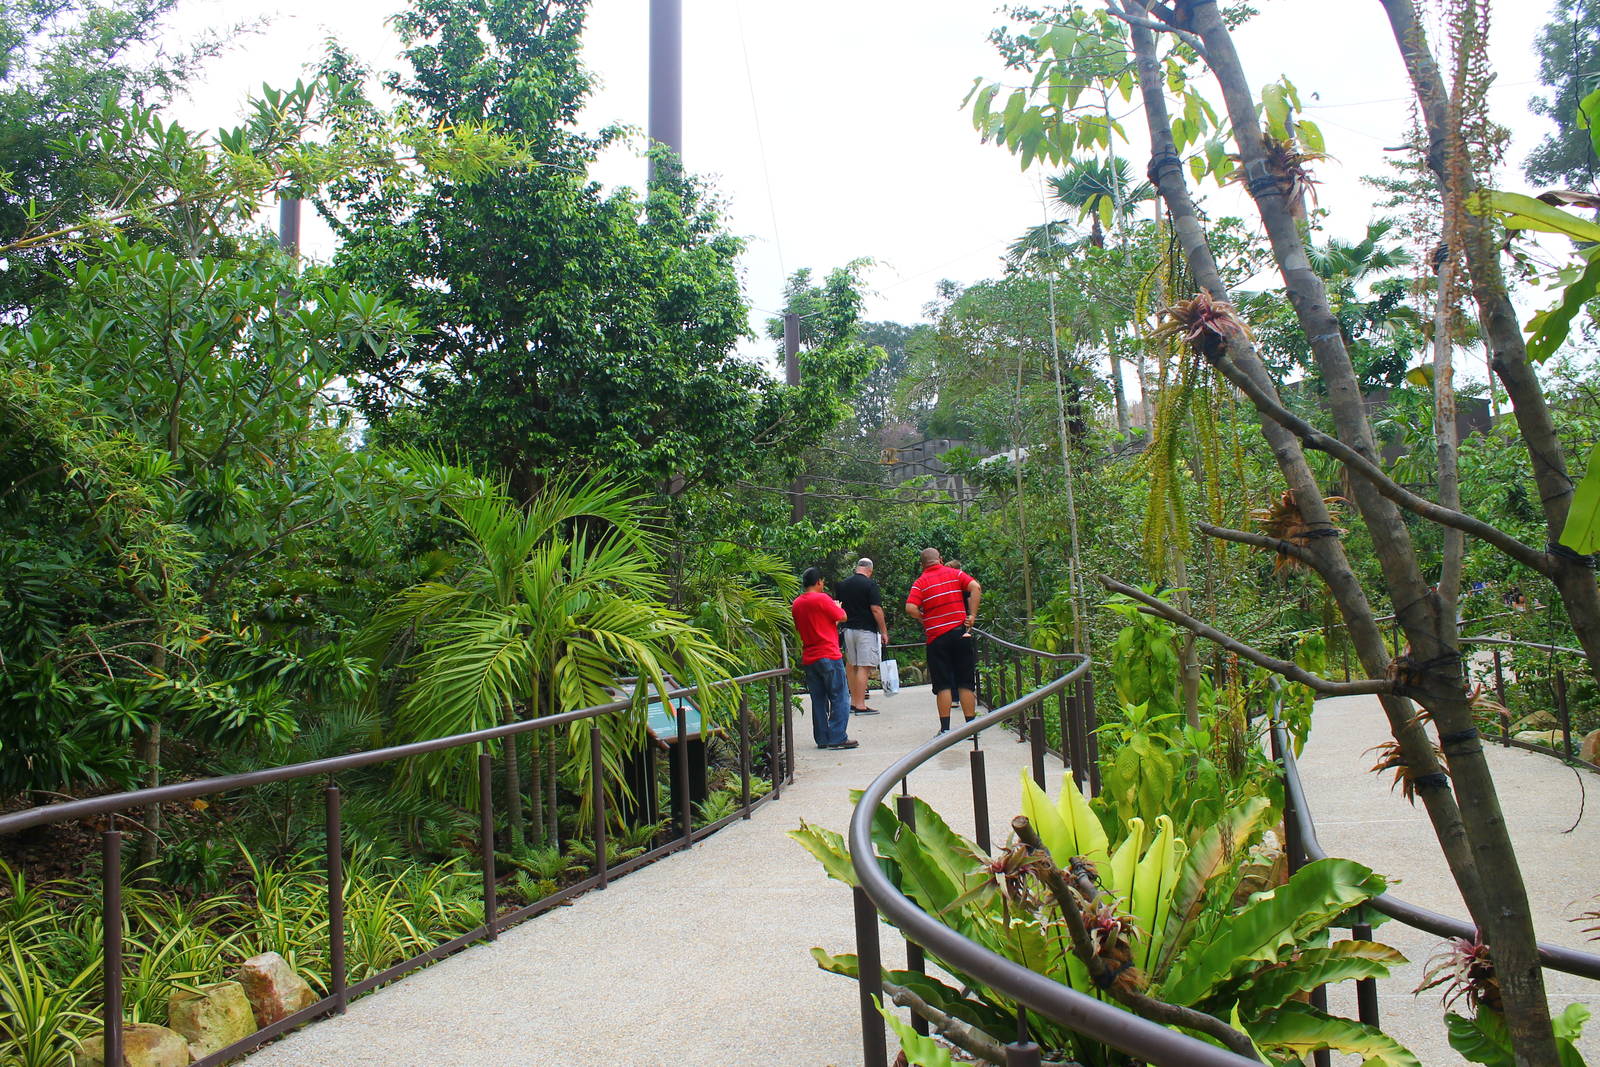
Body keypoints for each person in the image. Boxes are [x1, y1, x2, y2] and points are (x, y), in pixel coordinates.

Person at [905, 547, 982, 735]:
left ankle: (945, 729)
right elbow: (975, 587)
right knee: (965, 682)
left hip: (936, 638)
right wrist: (971, 615)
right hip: (960, 633)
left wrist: (924, 618)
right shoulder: (956, 574)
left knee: (943, 684)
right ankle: (971, 728)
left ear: (922, 564)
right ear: (940, 559)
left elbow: (910, 607)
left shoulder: (920, 582)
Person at [790, 567, 858, 750]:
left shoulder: (796, 604)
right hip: (828, 653)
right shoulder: (822, 598)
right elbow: (842, 616)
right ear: (819, 581)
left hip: (810, 657)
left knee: (818, 699)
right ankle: (837, 737)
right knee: (840, 696)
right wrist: (836, 607)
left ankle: (822, 738)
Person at [836, 557, 890, 716]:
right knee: (864, 666)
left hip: (847, 630)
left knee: (852, 664)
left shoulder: (842, 585)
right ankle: (860, 705)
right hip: (865, 630)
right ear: (870, 570)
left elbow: (838, 607)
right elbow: (876, 609)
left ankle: (853, 702)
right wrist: (884, 631)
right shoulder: (870, 584)